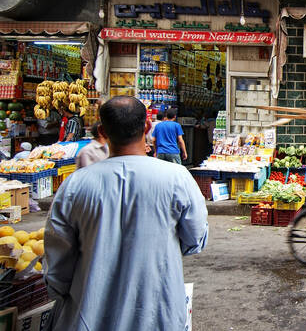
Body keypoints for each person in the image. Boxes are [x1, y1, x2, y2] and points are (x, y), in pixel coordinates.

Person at [44, 96, 208, 331]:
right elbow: (195, 239)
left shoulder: (74, 185)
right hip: (158, 313)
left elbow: (57, 266)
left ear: (102, 131)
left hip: (88, 316)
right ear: (147, 127)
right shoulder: (177, 178)